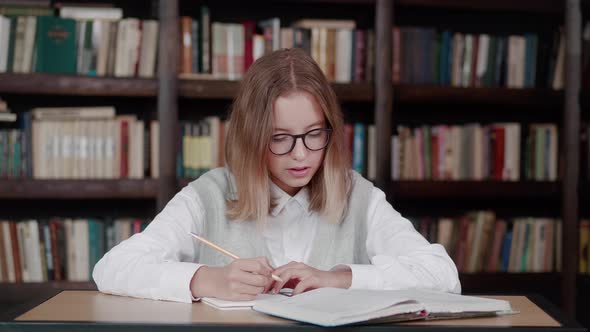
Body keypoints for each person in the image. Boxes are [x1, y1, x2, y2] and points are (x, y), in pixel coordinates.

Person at [93, 48, 460, 303]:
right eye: (280, 138)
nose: (301, 154)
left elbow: (443, 275)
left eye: (315, 134)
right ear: (252, 136)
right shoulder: (208, 196)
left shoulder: (358, 197)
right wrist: (207, 279)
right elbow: (112, 268)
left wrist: (339, 279)